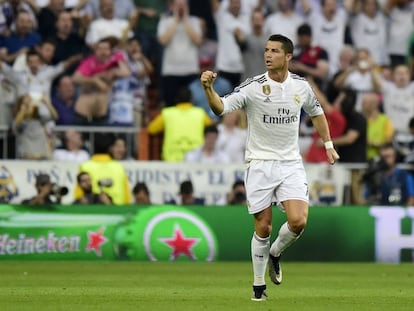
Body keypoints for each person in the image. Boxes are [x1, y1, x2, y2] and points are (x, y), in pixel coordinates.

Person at [200, 34, 339, 301]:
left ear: (288, 57)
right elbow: (221, 108)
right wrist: (209, 88)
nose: (268, 55)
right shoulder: (253, 86)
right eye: (266, 50)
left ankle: (275, 252)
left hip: (290, 163)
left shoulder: (301, 86)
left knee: (298, 221)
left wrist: (328, 144)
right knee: (263, 226)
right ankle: (258, 288)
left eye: (274, 51)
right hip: (260, 163)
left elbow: (317, 112)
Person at [74, 132, 132, 205]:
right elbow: (127, 198)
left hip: (93, 212)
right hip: (118, 212)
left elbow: (79, 195)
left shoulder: (85, 166)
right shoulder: (119, 167)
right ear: (110, 149)